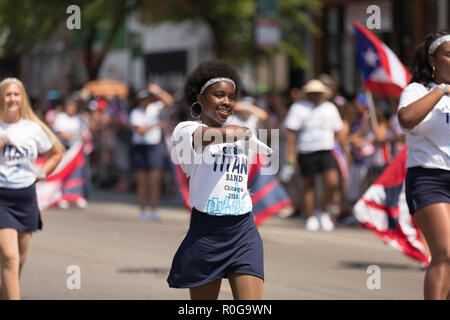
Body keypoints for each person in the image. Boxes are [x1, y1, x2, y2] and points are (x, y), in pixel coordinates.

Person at [167, 59, 272, 300]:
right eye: (218, 95)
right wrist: (238, 133)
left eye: (231, 97)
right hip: (207, 232)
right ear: (200, 98)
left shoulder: (243, 133)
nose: (226, 101)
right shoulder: (185, 130)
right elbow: (205, 137)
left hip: (243, 229)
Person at [397, 30, 450, 300]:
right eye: (449, 55)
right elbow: (406, 119)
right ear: (433, 61)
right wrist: (442, 89)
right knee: (446, 252)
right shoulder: (418, 90)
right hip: (429, 179)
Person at [0, 78, 63, 299]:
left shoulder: (33, 128)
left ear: (22, 98)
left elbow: (57, 153)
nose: (12, 99)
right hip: (1, 198)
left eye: (16, 94)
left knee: (20, 259)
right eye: (8, 94)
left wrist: (41, 173)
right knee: (9, 256)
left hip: (25, 197)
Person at [284, 79, 347, 231]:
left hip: (326, 149)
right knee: (309, 185)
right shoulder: (298, 108)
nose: (315, 95)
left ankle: (323, 212)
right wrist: (290, 156)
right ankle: (311, 216)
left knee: (332, 182)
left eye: (318, 93)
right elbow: (291, 133)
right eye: (312, 93)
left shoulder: (330, 108)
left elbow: (338, 130)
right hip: (306, 150)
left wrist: (345, 150)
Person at [129, 84, 174, 221]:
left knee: (155, 181)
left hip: (154, 147)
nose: (145, 101)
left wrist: (158, 90)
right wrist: (155, 125)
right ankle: (142, 210)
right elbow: (141, 131)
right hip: (140, 147)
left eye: (147, 99)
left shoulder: (155, 109)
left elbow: (169, 101)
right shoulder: (135, 112)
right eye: (142, 99)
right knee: (142, 182)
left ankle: (154, 210)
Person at [53, 97, 92, 209]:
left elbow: (86, 133)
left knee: (77, 173)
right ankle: (62, 196)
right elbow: (62, 134)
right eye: (69, 105)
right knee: (63, 173)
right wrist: (74, 135)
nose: (71, 108)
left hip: (76, 150)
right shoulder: (60, 118)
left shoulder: (80, 118)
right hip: (64, 150)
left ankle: (77, 195)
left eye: (73, 106)